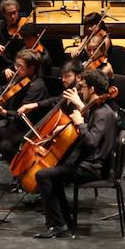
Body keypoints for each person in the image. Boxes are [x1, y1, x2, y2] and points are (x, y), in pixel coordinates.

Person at [32, 69, 118, 239]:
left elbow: (92, 142)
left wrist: (80, 124)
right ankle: (64, 223)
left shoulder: (102, 114)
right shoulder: (99, 109)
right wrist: (68, 127)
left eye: (83, 87)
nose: (81, 91)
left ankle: (57, 225)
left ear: (92, 89)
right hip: (89, 163)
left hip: (93, 167)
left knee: (43, 175)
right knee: (53, 173)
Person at [0, 49, 49, 187]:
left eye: (21, 67)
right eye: (16, 65)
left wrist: (4, 112)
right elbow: (3, 88)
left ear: (32, 68)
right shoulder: (19, 78)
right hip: (13, 124)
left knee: (0, 142)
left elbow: (21, 115)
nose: (16, 69)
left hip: (27, 128)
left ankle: (21, 177)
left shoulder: (37, 87)